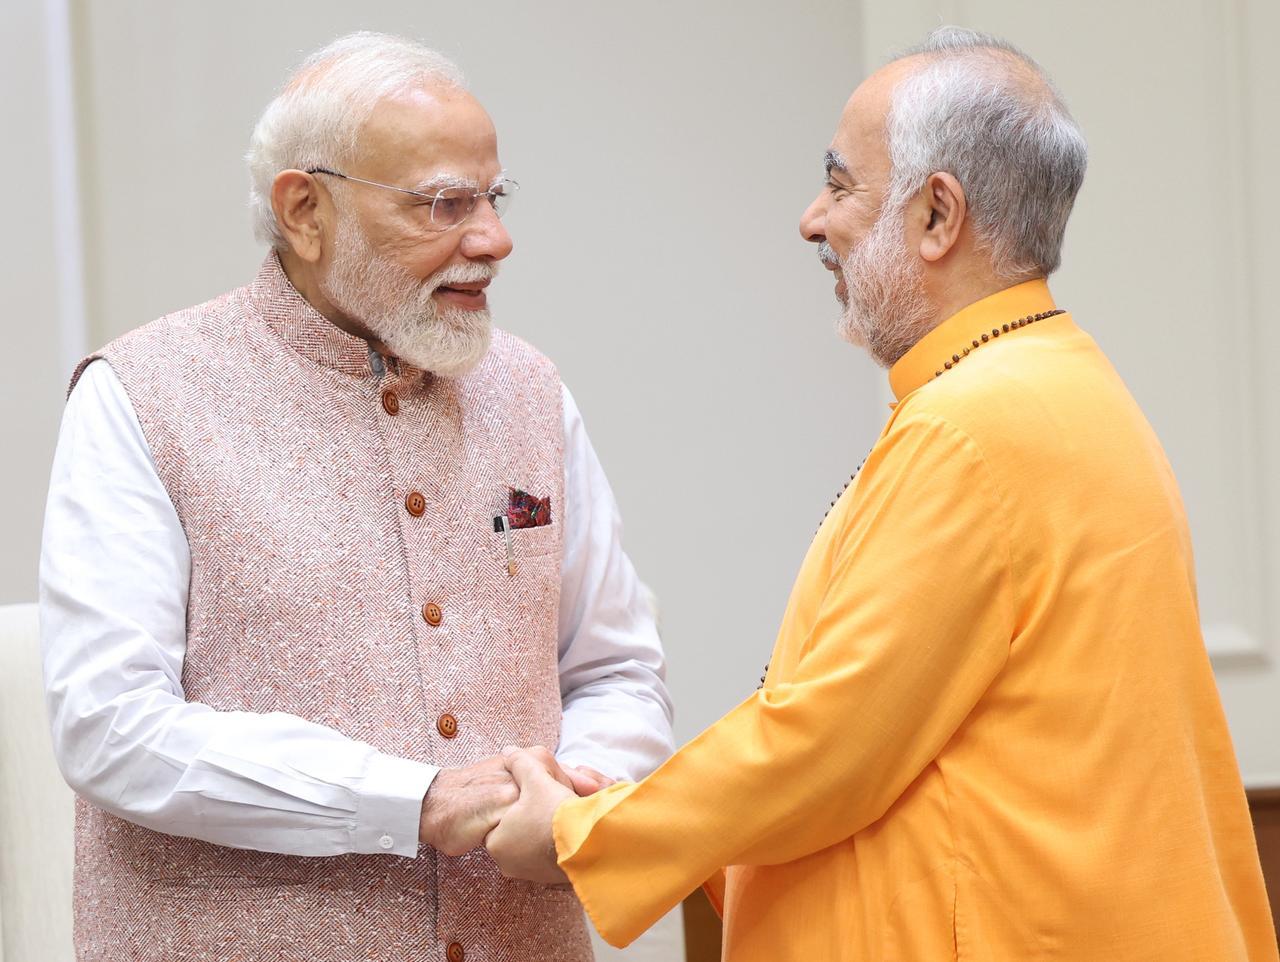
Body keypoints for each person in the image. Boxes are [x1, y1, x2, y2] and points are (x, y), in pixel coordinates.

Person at [484, 27, 1279, 961]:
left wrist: (581, 837)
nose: (813, 219)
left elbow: (826, 745)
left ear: (939, 215)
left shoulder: (971, 426)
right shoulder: (1062, 383)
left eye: (842, 183)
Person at [39, 31, 672, 962]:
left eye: (493, 198)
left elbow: (614, 672)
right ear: (305, 209)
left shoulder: (532, 390)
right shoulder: (141, 395)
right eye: (443, 204)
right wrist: (411, 805)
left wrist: (579, 793)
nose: (494, 238)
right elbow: (110, 726)